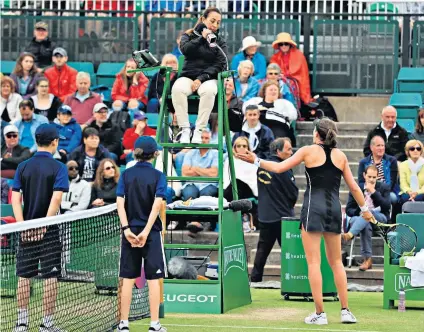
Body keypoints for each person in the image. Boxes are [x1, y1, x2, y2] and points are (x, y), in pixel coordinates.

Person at [237, 117, 373, 325]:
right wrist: (365, 209)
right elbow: (354, 187)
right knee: (337, 263)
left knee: (314, 262)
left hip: (313, 209)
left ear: (317, 134)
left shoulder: (308, 151)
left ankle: (320, 314)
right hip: (335, 210)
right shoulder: (341, 155)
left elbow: (279, 168)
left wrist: (255, 160)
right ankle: (346, 311)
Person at [11, 123, 69, 331]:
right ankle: (47, 324)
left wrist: (22, 226)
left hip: (27, 228)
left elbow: (15, 199)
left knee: (24, 276)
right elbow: (56, 199)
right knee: (50, 277)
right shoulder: (59, 167)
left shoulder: (23, 166)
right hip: (49, 230)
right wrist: (44, 225)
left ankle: (22, 322)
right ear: (54, 142)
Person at [116, 136, 167, 332]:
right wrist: (146, 231)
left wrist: (127, 230)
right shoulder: (158, 175)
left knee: (127, 279)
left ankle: (123, 324)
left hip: (130, 233)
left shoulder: (126, 175)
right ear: (154, 154)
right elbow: (157, 204)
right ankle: (154, 324)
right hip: (151, 233)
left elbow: (120, 204)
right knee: (154, 279)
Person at [171, 7, 227, 144]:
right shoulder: (188, 36)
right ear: (203, 19)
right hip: (188, 76)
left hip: (208, 78)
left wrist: (201, 78)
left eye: (218, 23)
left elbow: (221, 63)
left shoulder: (219, 42)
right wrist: (202, 38)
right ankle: (185, 129)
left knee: (208, 91)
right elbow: (186, 50)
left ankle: (199, 130)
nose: (215, 25)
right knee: (177, 89)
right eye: (212, 21)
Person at [251, 137, 299, 282]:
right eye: (288, 149)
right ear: (278, 151)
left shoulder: (262, 166)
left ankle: (254, 279)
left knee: (262, 251)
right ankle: (293, 280)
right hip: (282, 218)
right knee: (290, 252)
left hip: (265, 216)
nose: (291, 152)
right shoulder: (283, 168)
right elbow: (293, 194)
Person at [344, 165, 391, 271]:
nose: (371, 179)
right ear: (364, 175)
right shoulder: (356, 188)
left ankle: (350, 234)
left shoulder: (384, 187)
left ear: (377, 177)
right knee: (365, 224)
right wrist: (360, 211)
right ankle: (367, 260)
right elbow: (349, 210)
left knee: (368, 213)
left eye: (374, 177)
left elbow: (386, 206)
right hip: (360, 219)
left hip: (379, 219)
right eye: (369, 177)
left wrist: (374, 192)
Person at [270, 32, 313, 108]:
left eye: (286, 44)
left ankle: (291, 107)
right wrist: (277, 75)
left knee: (286, 86)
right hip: (277, 79)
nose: (283, 46)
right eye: (281, 44)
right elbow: (272, 69)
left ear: (290, 44)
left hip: (293, 80)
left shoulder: (298, 55)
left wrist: (283, 76)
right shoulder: (275, 57)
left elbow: (297, 72)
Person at [358, 135, 399, 204]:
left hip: (386, 191)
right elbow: (361, 182)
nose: (381, 148)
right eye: (378, 146)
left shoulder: (392, 161)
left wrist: (378, 190)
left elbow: (391, 183)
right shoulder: (363, 162)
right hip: (367, 191)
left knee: (393, 198)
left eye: (382, 146)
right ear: (371, 148)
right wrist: (370, 189)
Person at [223, 136, 258, 201]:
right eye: (239, 146)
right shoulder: (229, 160)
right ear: (235, 148)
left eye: (244, 146)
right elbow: (226, 177)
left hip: (248, 189)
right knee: (235, 183)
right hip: (231, 189)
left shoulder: (253, 160)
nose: (241, 148)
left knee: (237, 182)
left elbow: (253, 179)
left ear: (248, 148)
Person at [398, 139, 424, 204]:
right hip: (408, 193)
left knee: (419, 197)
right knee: (405, 198)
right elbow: (403, 184)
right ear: (408, 151)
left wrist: (417, 192)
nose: (415, 151)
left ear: (421, 151)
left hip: (422, 192)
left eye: (418, 148)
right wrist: (409, 192)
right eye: (412, 149)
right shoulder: (403, 165)